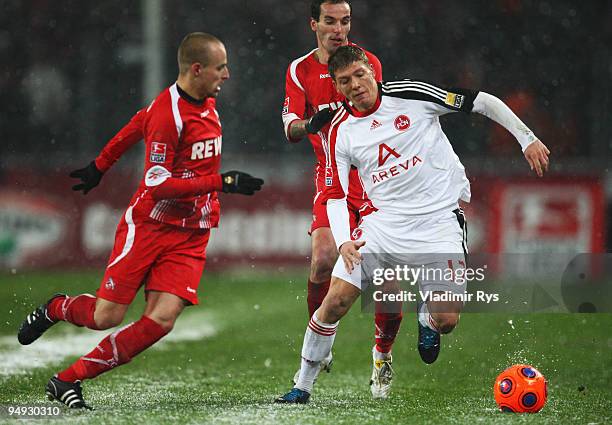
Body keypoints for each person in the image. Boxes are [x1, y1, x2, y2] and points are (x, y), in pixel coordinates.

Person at [276, 45, 550, 403]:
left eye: (360, 74)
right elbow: (337, 196)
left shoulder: (411, 94)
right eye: (345, 81)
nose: (356, 85)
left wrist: (526, 138)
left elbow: (482, 101)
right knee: (337, 300)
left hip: (438, 221)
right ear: (338, 87)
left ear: (371, 72)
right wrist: (344, 241)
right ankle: (303, 384)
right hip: (383, 224)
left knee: (447, 319)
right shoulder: (338, 130)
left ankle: (427, 319)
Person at [17, 32, 263, 409]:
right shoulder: (172, 114)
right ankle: (56, 308)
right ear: (197, 69)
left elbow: (136, 123)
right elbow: (158, 186)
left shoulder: (204, 103)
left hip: (191, 233)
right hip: (150, 226)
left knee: (162, 320)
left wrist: (101, 165)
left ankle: (68, 379)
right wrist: (222, 182)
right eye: (221, 67)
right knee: (105, 317)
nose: (227, 74)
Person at [281, 0, 403, 399]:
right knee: (322, 260)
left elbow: (375, 115)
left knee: (386, 281)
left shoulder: (366, 62)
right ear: (313, 24)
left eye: (345, 21)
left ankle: (382, 355)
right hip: (332, 176)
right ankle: (319, 343)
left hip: (372, 179)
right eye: (330, 22)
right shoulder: (300, 70)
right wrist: (309, 123)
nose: (339, 29)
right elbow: (289, 128)